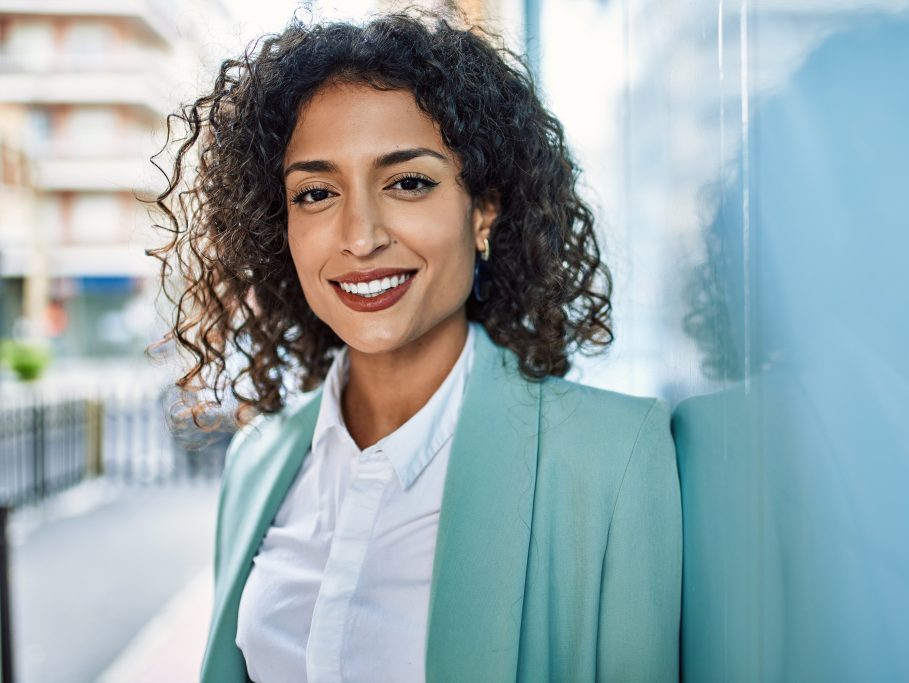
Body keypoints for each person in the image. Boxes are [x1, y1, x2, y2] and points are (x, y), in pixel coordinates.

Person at [150, 10, 682, 683]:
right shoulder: (259, 461)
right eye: (315, 192)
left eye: (408, 182)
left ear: (482, 210)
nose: (361, 235)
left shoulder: (613, 458)